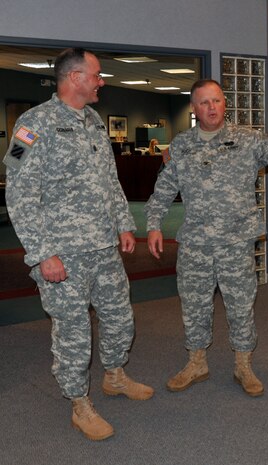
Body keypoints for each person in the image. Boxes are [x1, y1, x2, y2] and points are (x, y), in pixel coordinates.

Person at [3, 48, 153, 441]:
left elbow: (110, 180)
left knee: (120, 318)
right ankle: (79, 404)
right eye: (97, 75)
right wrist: (41, 253)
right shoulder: (32, 125)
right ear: (74, 78)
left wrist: (123, 223)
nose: (102, 81)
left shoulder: (93, 122)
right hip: (62, 253)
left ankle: (115, 376)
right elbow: (19, 193)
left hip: (103, 247)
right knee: (73, 331)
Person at [145, 79, 268, 397]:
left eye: (217, 101)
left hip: (236, 242)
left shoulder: (248, 140)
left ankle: (243, 364)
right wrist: (154, 223)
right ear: (194, 109)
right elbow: (165, 186)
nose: (212, 107)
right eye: (204, 102)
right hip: (196, 243)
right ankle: (197, 362)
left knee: (240, 306)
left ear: (225, 104)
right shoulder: (181, 145)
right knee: (194, 305)